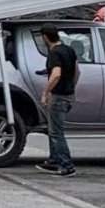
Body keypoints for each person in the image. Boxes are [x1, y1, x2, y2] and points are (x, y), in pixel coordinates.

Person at [35, 23, 79, 177]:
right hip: (69, 95)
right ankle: (54, 160)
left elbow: (56, 74)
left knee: (56, 133)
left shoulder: (54, 53)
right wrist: (71, 87)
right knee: (53, 130)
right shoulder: (69, 50)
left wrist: (46, 92)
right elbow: (77, 72)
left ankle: (67, 165)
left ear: (46, 37)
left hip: (58, 96)